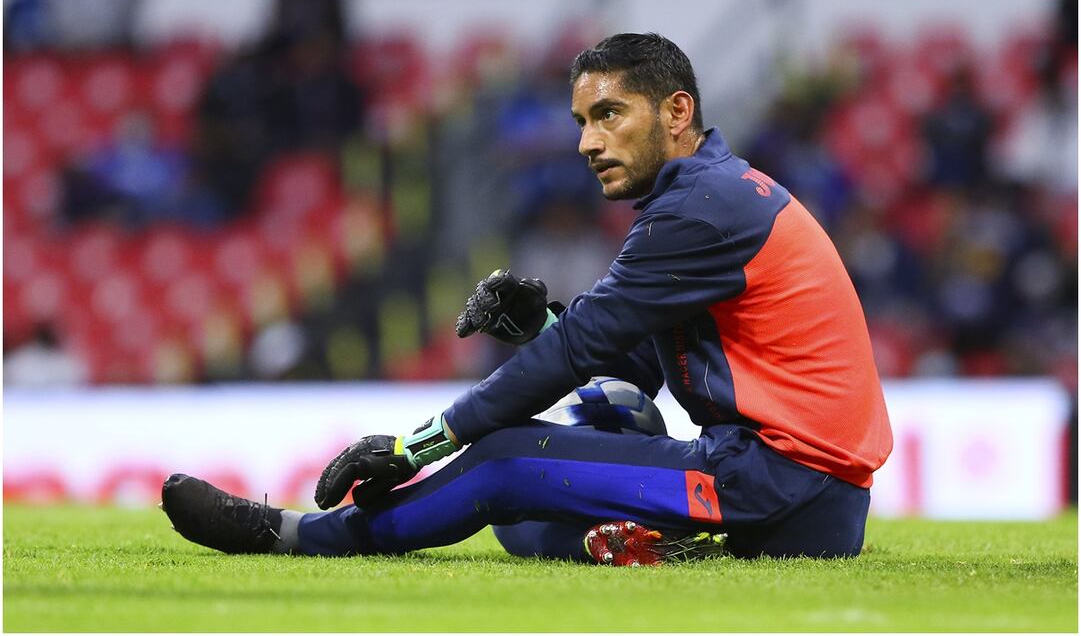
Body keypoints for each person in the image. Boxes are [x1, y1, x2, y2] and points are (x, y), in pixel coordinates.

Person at [162, 33, 893, 564]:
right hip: (807, 494)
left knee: (503, 460)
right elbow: (631, 362)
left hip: (783, 480)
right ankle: (642, 551)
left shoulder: (701, 207)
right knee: (522, 508)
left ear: (676, 112)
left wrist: (414, 446)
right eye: (581, 121)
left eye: (609, 114)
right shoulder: (715, 195)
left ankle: (290, 535)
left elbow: (583, 352)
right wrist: (541, 324)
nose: (586, 142)